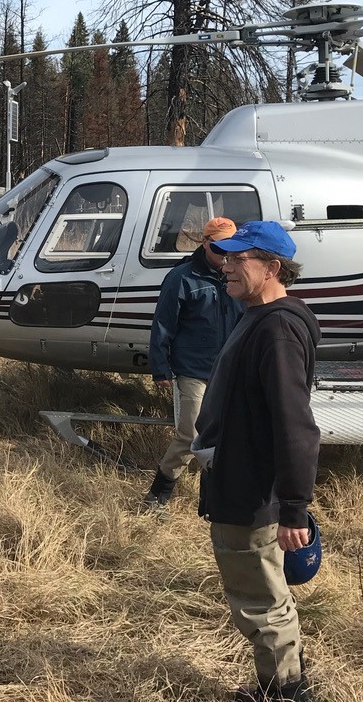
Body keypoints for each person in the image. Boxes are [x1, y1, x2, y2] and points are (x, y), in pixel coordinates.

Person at [192, 220, 320, 702]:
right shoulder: (258, 318)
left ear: (273, 267)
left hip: (251, 492)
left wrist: (292, 506)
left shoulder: (279, 330)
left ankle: (284, 692)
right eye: (224, 256)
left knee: (260, 601)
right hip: (239, 482)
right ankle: (286, 680)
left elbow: (295, 424)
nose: (225, 265)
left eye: (238, 258)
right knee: (263, 593)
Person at [144, 216, 244, 507]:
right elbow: (162, 324)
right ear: (204, 242)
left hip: (228, 369)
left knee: (230, 434)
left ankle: (220, 495)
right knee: (190, 434)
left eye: (232, 249)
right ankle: (158, 495)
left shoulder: (239, 276)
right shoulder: (181, 277)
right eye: (219, 247)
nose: (225, 254)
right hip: (193, 370)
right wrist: (160, 368)